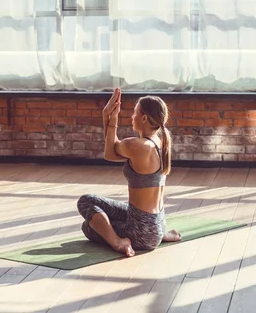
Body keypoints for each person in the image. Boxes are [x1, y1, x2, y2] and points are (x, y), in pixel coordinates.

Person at [77, 88, 181, 257]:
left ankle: (119, 243)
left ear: (144, 118)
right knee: (105, 218)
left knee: (87, 217)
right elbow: (111, 149)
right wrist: (107, 117)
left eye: (134, 113)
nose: (132, 117)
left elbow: (109, 153)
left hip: (142, 232)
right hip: (156, 223)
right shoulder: (160, 143)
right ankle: (160, 234)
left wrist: (111, 118)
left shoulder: (138, 145)